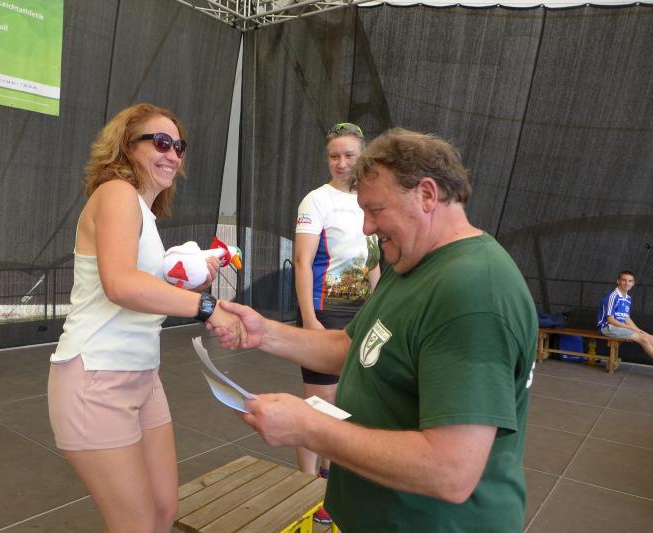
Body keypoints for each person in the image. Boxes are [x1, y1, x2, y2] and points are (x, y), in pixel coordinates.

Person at [210, 128, 537, 532]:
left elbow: (449, 470)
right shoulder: (410, 260)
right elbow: (352, 346)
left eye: (376, 210)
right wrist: (265, 333)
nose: (366, 227)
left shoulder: (473, 294)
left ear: (427, 195)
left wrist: (309, 428)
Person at [47, 103, 245, 533]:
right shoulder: (116, 193)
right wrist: (206, 307)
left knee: (162, 511)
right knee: (136, 525)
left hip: (142, 375)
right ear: (126, 146)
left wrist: (186, 282)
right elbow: (120, 283)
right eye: (160, 142)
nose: (172, 154)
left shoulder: (144, 213)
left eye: (179, 146)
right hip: (97, 378)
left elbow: (139, 286)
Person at [293, 122, 380, 523]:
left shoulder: (369, 199)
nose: (341, 163)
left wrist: (379, 307)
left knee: (347, 402)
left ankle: (329, 476)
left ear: (362, 157)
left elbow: (373, 263)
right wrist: (309, 320)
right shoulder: (316, 200)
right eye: (334, 156)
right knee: (319, 404)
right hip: (324, 311)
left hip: (361, 314)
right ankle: (304, 487)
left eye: (349, 155)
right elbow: (303, 262)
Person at [597, 271, 653, 357]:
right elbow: (611, 320)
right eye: (624, 280)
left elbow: (626, 318)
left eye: (630, 281)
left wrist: (638, 330)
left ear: (633, 283)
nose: (627, 283)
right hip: (608, 327)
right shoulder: (612, 297)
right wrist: (631, 328)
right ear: (618, 281)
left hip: (621, 327)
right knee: (644, 339)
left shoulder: (628, 298)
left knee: (650, 337)